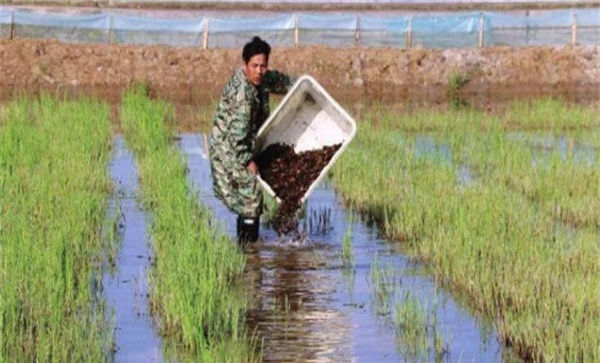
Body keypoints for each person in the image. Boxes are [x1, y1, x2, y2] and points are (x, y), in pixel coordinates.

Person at [209, 36, 296, 243]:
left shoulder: (262, 77)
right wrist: (249, 161)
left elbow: (282, 82)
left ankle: (245, 248)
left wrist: (302, 85)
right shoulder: (243, 98)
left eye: (263, 66)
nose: (259, 71)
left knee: (249, 197)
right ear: (245, 65)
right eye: (254, 66)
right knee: (251, 197)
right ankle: (248, 251)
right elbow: (237, 139)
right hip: (228, 150)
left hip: (244, 144)